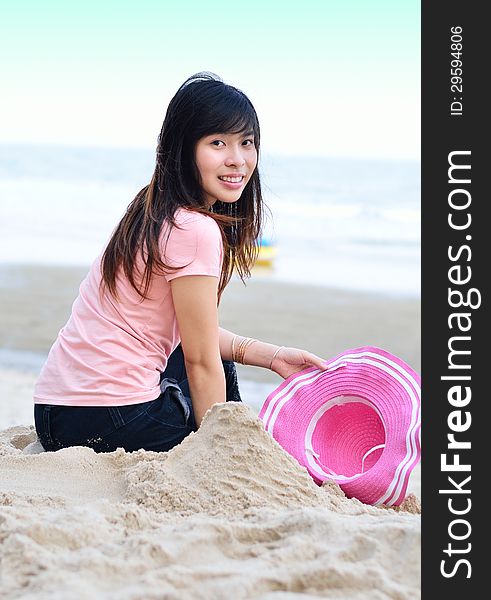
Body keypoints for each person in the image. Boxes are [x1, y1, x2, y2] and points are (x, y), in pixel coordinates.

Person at [33, 72, 327, 454]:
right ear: (184, 148)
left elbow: (188, 336)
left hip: (55, 413)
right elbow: (200, 359)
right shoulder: (195, 228)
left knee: (219, 362)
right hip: (106, 418)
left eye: (247, 143)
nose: (237, 160)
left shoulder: (150, 209)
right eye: (218, 143)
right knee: (216, 385)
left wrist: (271, 357)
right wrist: (215, 448)